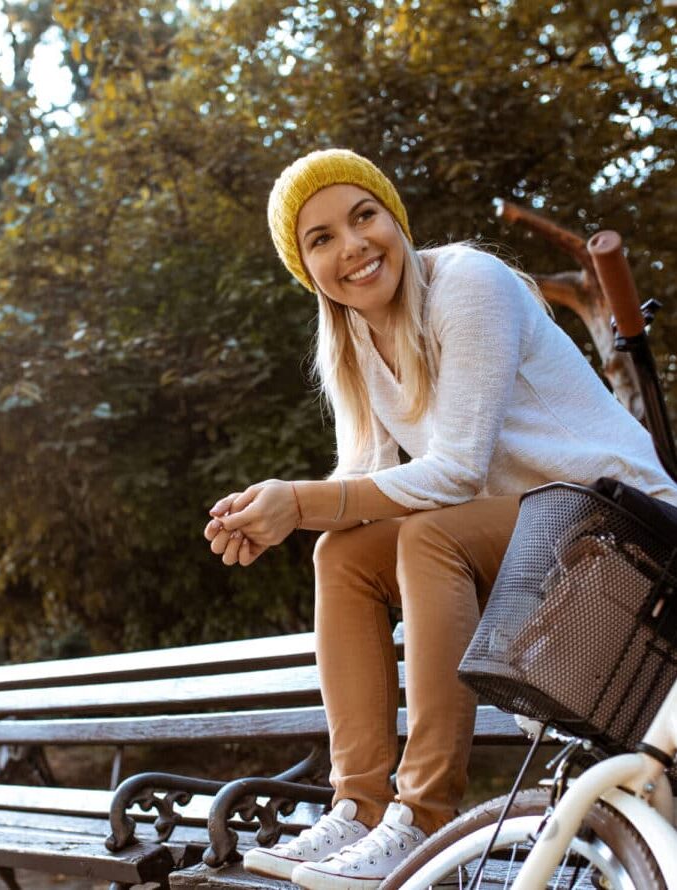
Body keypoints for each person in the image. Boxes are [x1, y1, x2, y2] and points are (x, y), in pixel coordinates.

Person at [203, 148, 677, 890]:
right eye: (321, 238)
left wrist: (297, 501)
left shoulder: (468, 282)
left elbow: (454, 471)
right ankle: (358, 807)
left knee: (429, 535)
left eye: (364, 216)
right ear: (306, 268)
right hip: (539, 540)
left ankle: (422, 818)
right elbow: (360, 487)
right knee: (343, 555)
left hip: (626, 531)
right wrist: (280, 516)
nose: (353, 247)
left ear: (395, 216)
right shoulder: (354, 342)